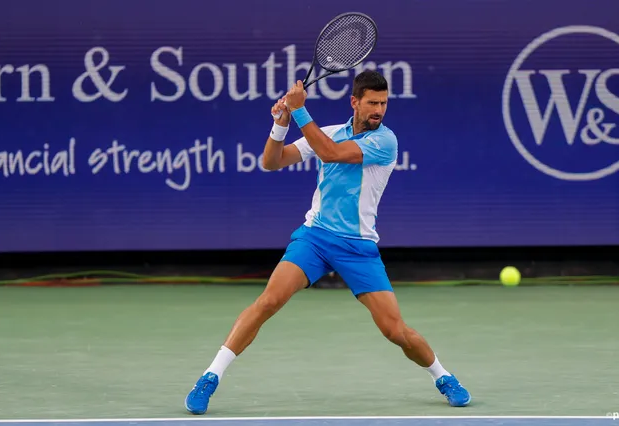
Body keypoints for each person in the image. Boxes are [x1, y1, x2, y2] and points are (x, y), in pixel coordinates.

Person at [185, 70, 471, 414]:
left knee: (394, 331)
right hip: (316, 237)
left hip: (358, 247)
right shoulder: (331, 131)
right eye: (372, 103)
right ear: (355, 102)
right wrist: (281, 122)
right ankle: (210, 377)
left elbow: (332, 153)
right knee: (268, 302)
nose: (378, 109)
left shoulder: (385, 141)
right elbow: (272, 162)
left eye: (383, 103)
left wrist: (300, 110)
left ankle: (442, 376)